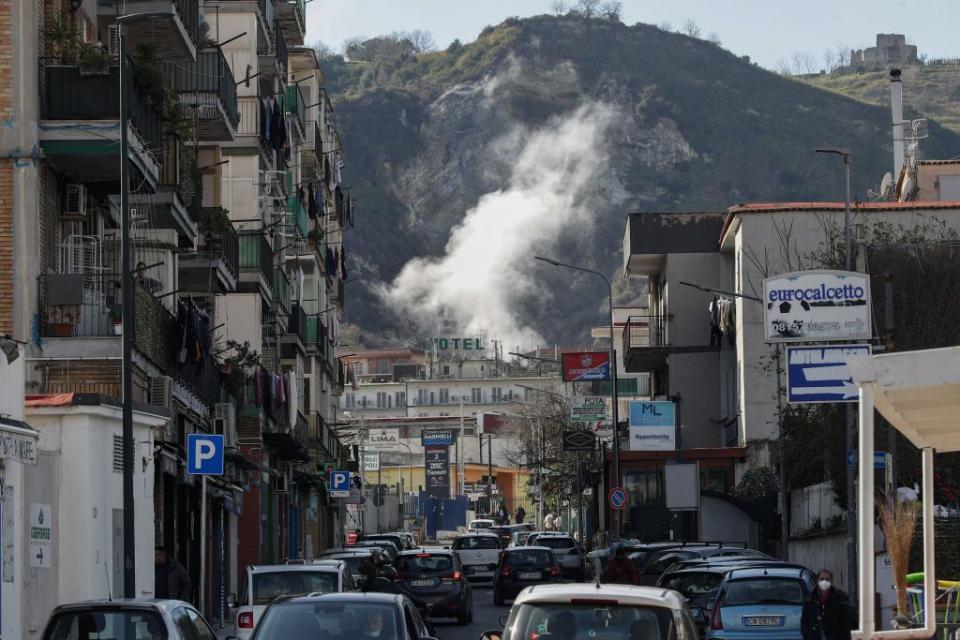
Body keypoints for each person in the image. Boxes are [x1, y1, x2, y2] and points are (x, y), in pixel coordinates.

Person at [801, 569, 855, 640]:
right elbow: (804, 621)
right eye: (822, 579)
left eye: (827, 579)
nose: (824, 582)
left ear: (831, 581)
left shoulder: (840, 598)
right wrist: (808, 636)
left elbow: (847, 621)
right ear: (817, 581)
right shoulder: (810, 599)